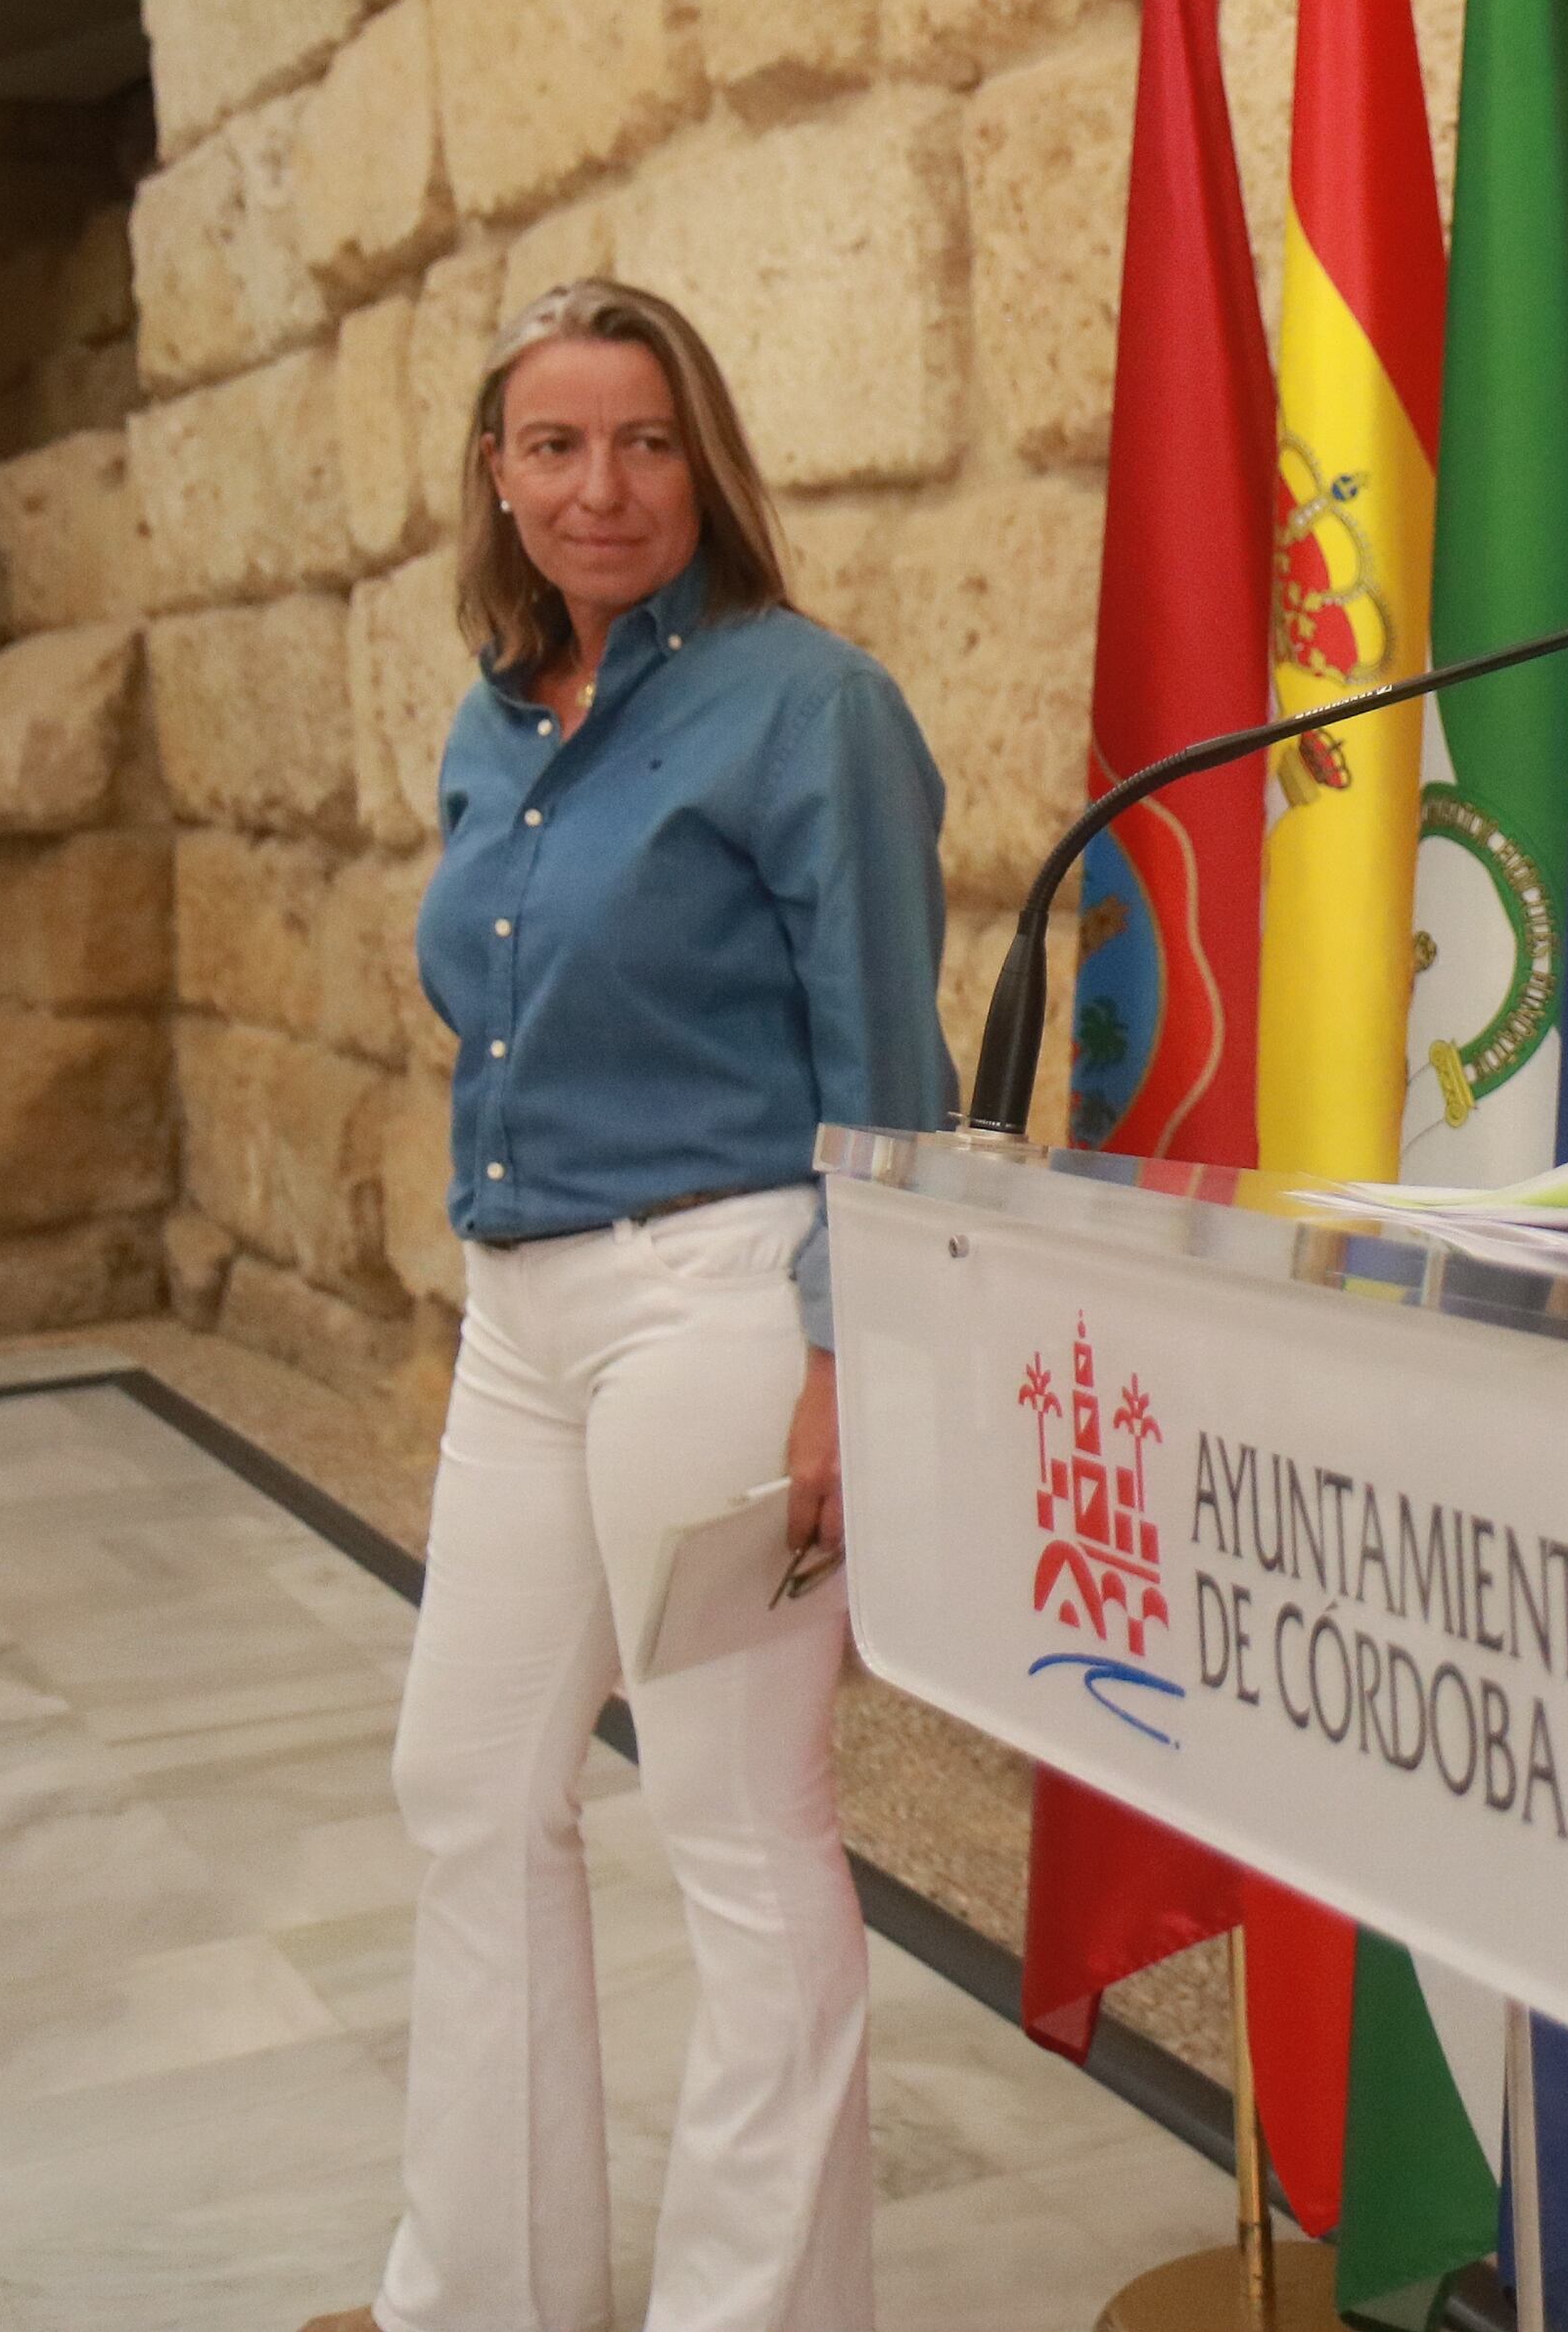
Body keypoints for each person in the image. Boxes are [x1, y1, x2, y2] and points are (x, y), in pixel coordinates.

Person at [311, 277, 953, 2332]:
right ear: (495, 475)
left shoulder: (806, 702)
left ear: (707, 462)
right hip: (523, 1311)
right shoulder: (496, 720)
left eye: (647, 440)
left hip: (730, 1302)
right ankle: (478, 2294)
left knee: (737, 1822)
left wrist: (857, 1362)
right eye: (557, 443)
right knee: (469, 1785)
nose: (604, 485)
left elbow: (889, 1070)